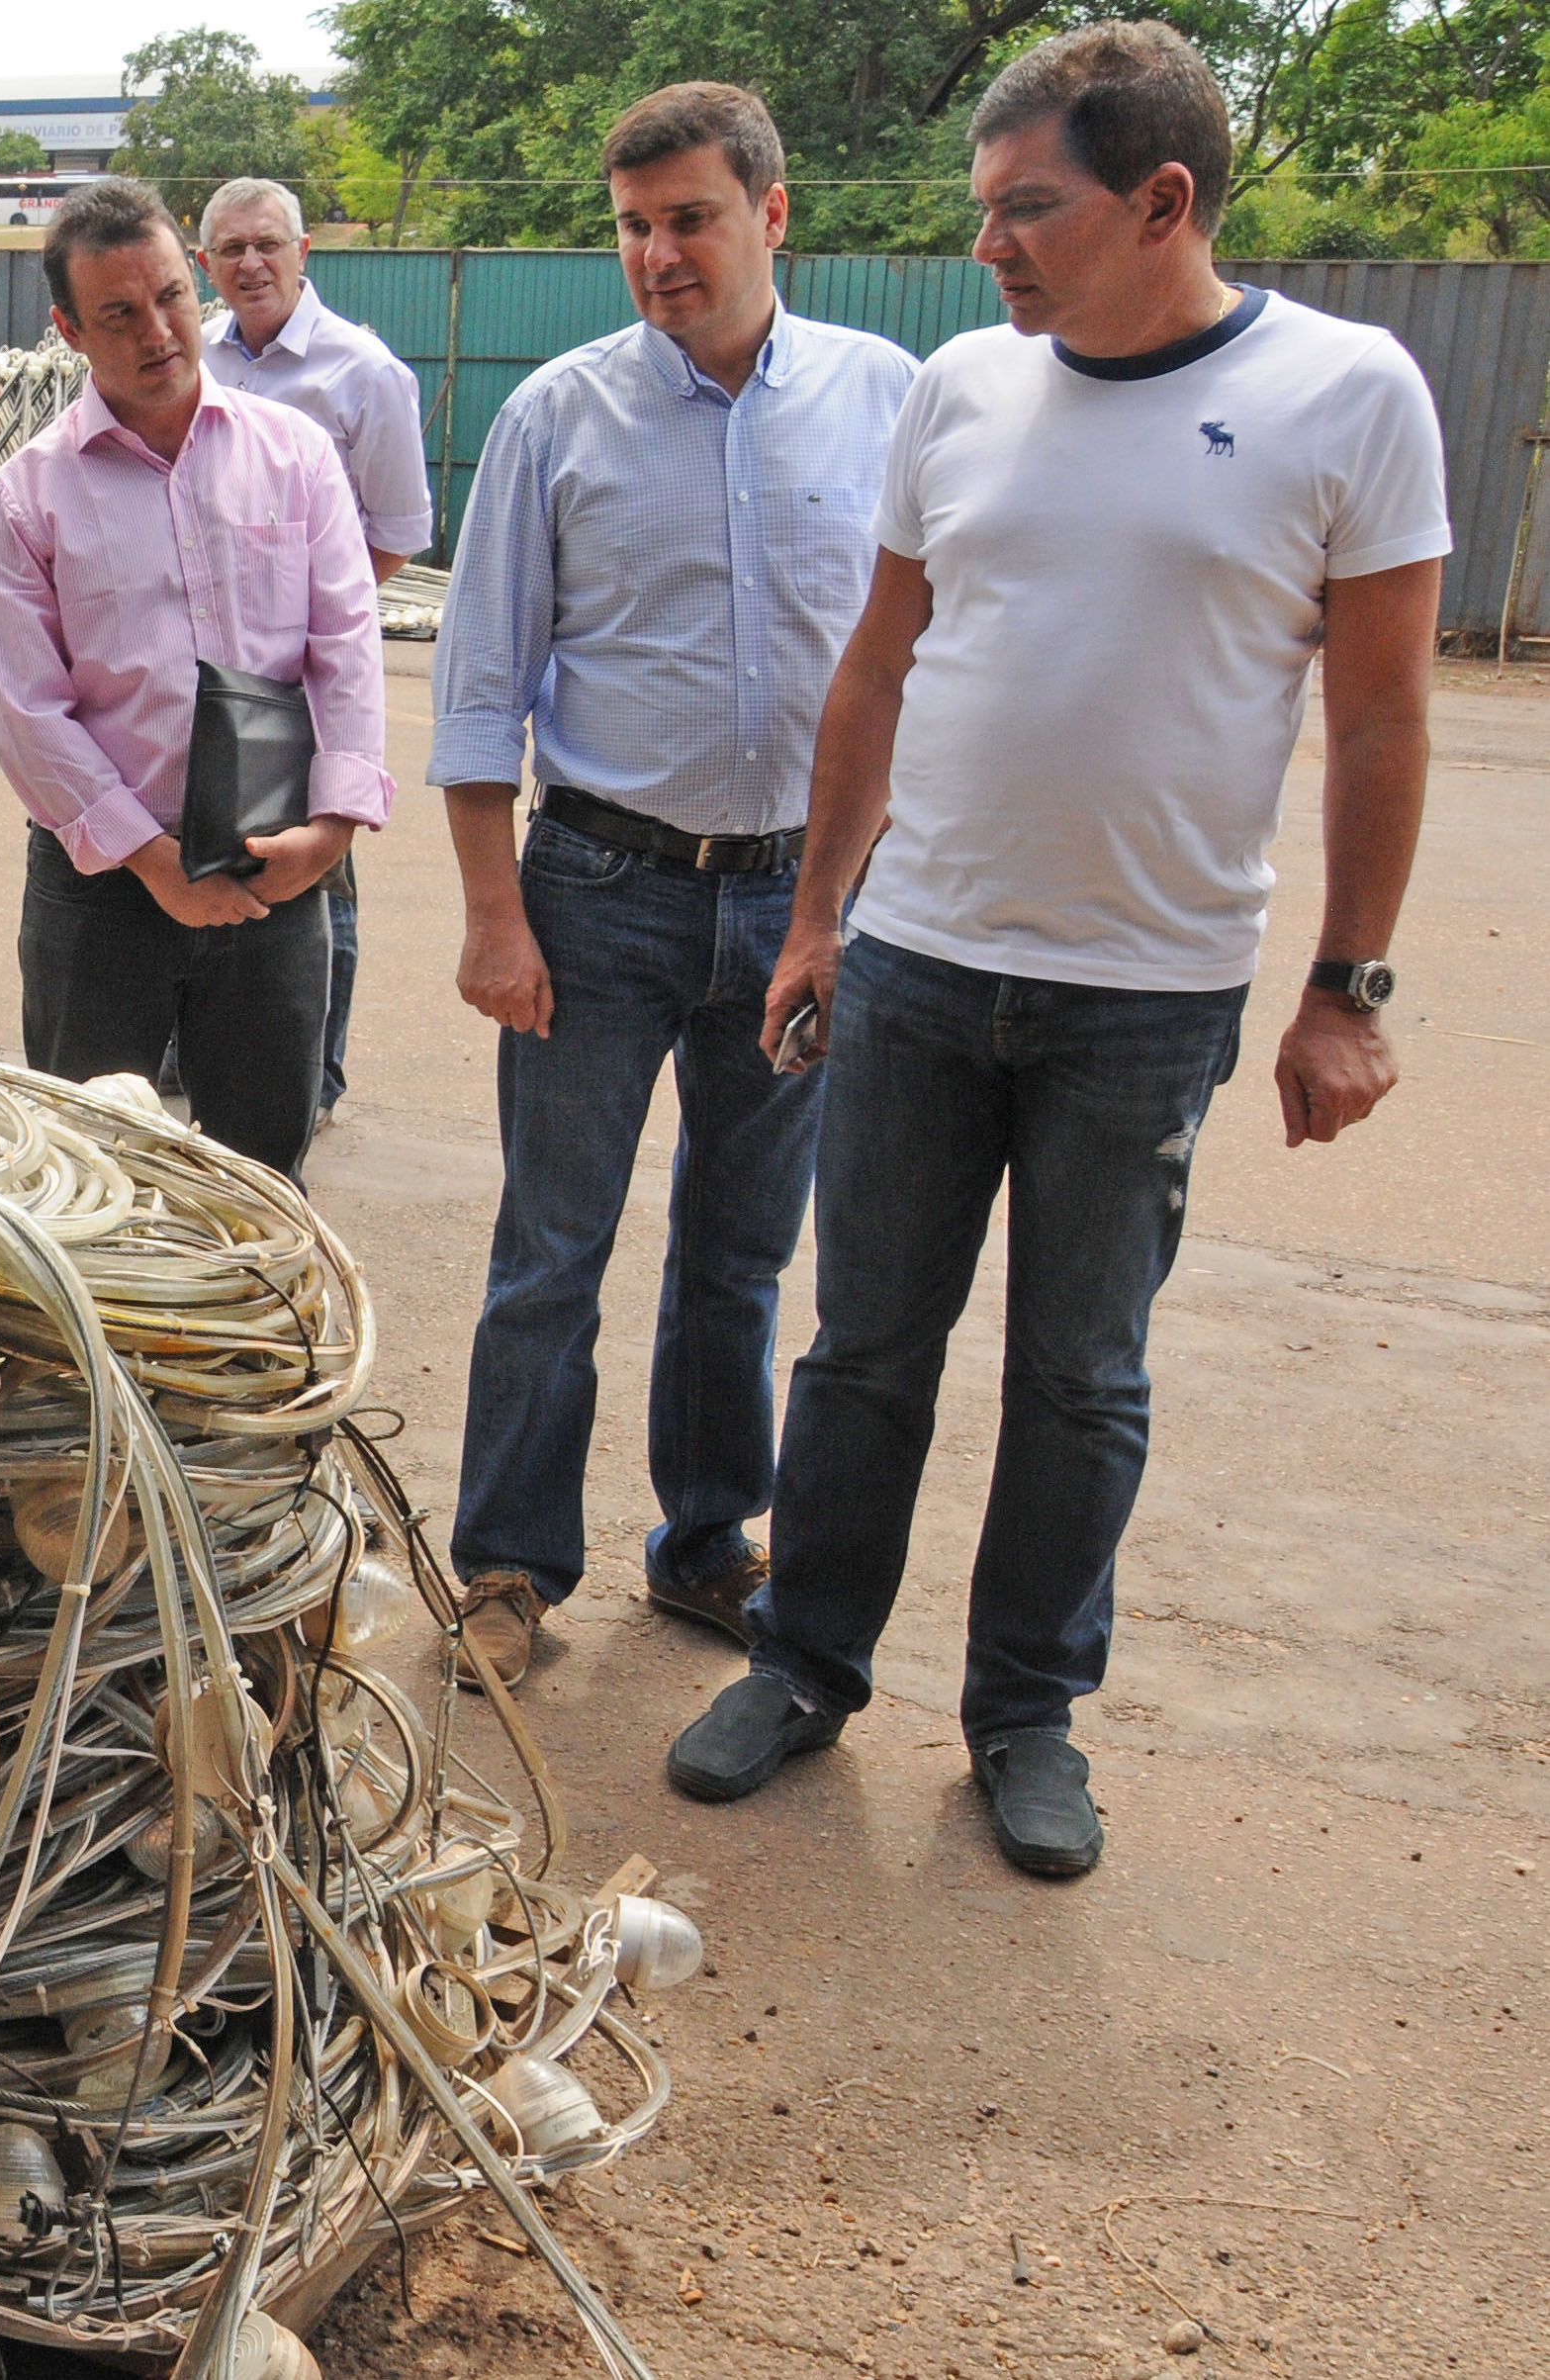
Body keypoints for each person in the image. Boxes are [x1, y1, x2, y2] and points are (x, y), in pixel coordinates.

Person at [671, 23, 1447, 1881]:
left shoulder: (1347, 394)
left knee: (1081, 1377)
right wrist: (817, 916)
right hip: (920, 966)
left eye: (1028, 208)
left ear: (1162, 201)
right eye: (982, 208)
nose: (988, 246)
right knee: (863, 1351)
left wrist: (1345, 986)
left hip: (1149, 993)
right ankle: (803, 1663)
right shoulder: (962, 386)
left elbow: (1382, 719)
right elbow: (877, 668)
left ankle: (1025, 1716)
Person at [422, 88, 918, 1695]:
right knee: (550, 1246)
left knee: (739, 1251)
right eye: (632, 226)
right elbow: (480, 685)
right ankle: (508, 1563)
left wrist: (855, 899)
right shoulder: (555, 417)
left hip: (797, 905)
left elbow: (920, 661)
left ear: (771, 214)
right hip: (596, 891)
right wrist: (492, 916)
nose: (656, 254)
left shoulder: (884, 400)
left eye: (688, 219)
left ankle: (706, 1538)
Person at [0, 180, 391, 1182]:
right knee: (86, 1177)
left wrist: (332, 828)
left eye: (168, 297)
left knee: (260, 1178)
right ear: (69, 330)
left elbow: (344, 644)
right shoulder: (25, 501)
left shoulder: (293, 457)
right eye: (118, 313)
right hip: (102, 889)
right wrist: (151, 859)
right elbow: (28, 713)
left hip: (273, 868)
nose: (156, 332)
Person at [197, 175, 438, 1131]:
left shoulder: (361, 372)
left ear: (303, 253)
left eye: (267, 244)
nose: (250, 263)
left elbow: (398, 530)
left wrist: (312, 619)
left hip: (306, 670)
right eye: (230, 249)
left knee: (316, 870)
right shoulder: (195, 357)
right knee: (215, 840)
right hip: (206, 671)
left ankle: (314, 1076)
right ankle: (198, 1047)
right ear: (205, 263)